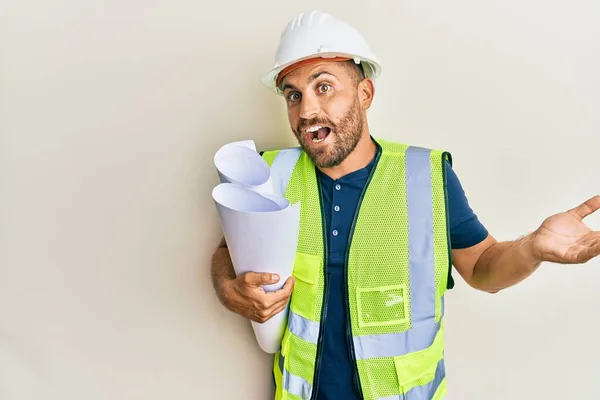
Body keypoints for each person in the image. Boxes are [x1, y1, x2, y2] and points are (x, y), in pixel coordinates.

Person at [211, 10, 600, 400]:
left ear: (365, 94)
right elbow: (229, 251)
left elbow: (483, 270)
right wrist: (228, 286)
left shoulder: (425, 177)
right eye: (293, 95)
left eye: (323, 87)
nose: (306, 110)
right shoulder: (267, 175)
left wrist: (532, 247)